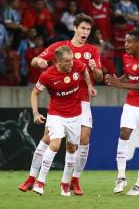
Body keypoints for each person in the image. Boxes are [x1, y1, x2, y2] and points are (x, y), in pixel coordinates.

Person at [19, 14, 103, 195]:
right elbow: (35, 61)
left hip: (82, 102)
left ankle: (75, 180)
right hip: (61, 102)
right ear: (75, 28)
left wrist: (94, 70)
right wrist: (39, 61)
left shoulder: (92, 51)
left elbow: (99, 77)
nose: (85, 32)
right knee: (48, 139)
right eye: (82, 28)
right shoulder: (60, 47)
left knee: (83, 140)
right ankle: (32, 178)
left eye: (88, 30)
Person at [30, 45, 97, 196]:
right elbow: (34, 93)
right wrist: (35, 113)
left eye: (72, 59)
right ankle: (40, 182)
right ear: (58, 62)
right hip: (56, 115)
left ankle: (65, 184)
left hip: (75, 115)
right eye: (67, 61)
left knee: (72, 148)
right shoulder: (47, 75)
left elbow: (84, 70)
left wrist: (89, 85)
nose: (71, 63)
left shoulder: (76, 65)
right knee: (55, 144)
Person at [105, 30, 139, 196]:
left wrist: (121, 85)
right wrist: (116, 81)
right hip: (131, 104)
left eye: (129, 42)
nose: (125, 45)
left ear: (138, 43)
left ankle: (138, 185)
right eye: (125, 42)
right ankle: (121, 176)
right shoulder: (126, 58)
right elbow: (129, 75)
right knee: (124, 133)